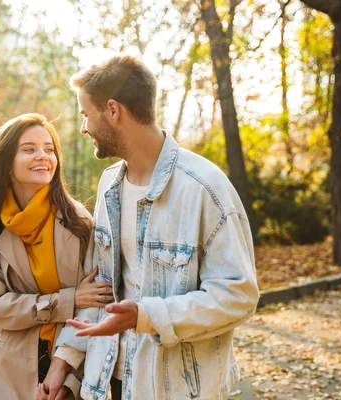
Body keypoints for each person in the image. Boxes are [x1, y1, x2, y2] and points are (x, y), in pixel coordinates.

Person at [40, 55, 260, 400]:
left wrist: (147, 316)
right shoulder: (109, 185)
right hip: (108, 382)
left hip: (175, 390)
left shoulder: (204, 188)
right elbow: (101, 286)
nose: (83, 128)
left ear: (113, 110)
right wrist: (64, 361)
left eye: (86, 115)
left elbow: (238, 296)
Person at [0, 113, 114, 399]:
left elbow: (96, 302)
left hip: (69, 368)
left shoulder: (78, 221)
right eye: (29, 149)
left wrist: (71, 382)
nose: (43, 156)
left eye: (49, 149)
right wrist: (66, 300)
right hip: (4, 374)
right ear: (5, 162)